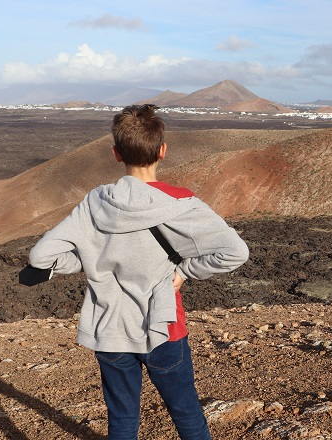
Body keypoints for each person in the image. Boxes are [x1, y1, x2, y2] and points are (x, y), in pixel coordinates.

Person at [27, 104, 249, 439]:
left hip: (110, 329)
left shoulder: (95, 202)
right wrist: (186, 270)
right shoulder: (182, 203)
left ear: (116, 154)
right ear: (162, 150)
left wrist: (84, 260)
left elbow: (41, 256)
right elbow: (236, 252)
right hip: (163, 327)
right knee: (186, 412)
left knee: (122, 419)